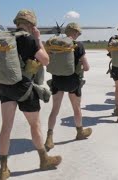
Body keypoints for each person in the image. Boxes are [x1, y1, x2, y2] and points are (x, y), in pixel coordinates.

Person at [0, 9, 61, 180]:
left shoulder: (5, 38)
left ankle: (3, 169)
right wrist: (38, 39)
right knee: (35, 125)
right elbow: (46, 60)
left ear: (17, 22)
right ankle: (44, 159)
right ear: (31, 25)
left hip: (5, 88)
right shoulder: (29, 40)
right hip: (25, 89)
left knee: (6, 127)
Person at [44, 22, 92, 152]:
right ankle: (79, 132)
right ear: (75, 33)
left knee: (54, 110)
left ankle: (49, 137)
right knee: (76, 108)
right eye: (78, 33)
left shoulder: (54, 44)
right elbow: (87, 67)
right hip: (73, 82)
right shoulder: (79, 45)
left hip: (56, 81)